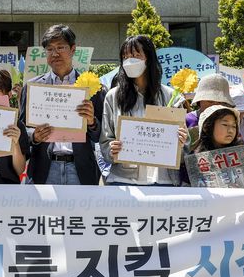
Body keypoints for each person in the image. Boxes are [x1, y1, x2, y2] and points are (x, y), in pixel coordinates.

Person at [18, 24, 105, 185]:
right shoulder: (32, 87)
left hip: (80, 169)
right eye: (50, 49)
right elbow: (22, 130)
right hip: (45, 168)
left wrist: (92, 121)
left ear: (73, 49)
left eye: (60, 47)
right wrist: (34, 136)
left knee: (81, 211)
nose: (55, 53)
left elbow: (101, 134)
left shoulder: (91, 86)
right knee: (44, 211)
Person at [99, 35, 187, 186]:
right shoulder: (113, 96)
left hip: (163, 180)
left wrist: (181, 141)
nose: (129, 61)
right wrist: (111, 150)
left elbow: (185, 148)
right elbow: (105, 141)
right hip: (123, 180)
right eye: (125, 56)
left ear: (149, 58)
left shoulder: (170, 96)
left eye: (135, 55)